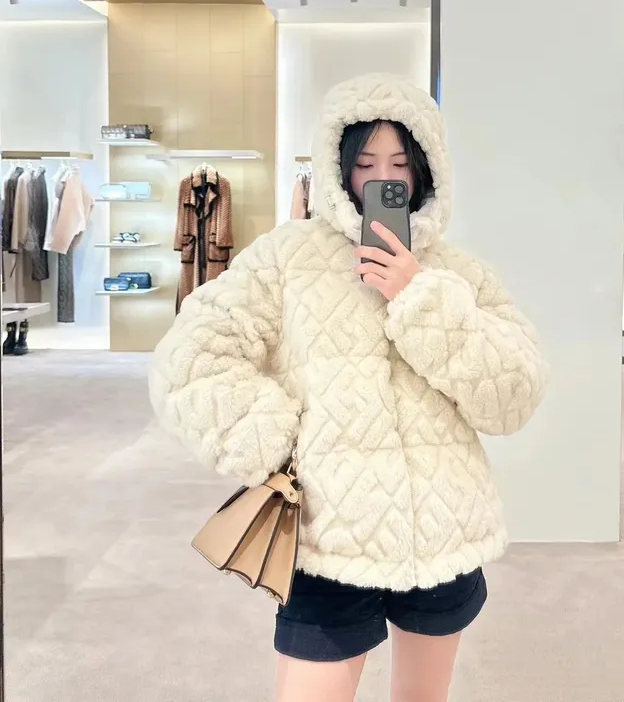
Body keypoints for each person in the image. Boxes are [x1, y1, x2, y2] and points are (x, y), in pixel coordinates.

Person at [149, 73, 548, 702]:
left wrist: (419, 294)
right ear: (337, 169)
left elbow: (514, 394)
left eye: (399, 163)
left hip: (441, 530)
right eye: (365, 163)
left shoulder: (457, 273)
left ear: (426, 169)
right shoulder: (286, 257)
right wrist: (274, 437)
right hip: (328, 537)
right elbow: (190, 359)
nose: (382, 178)